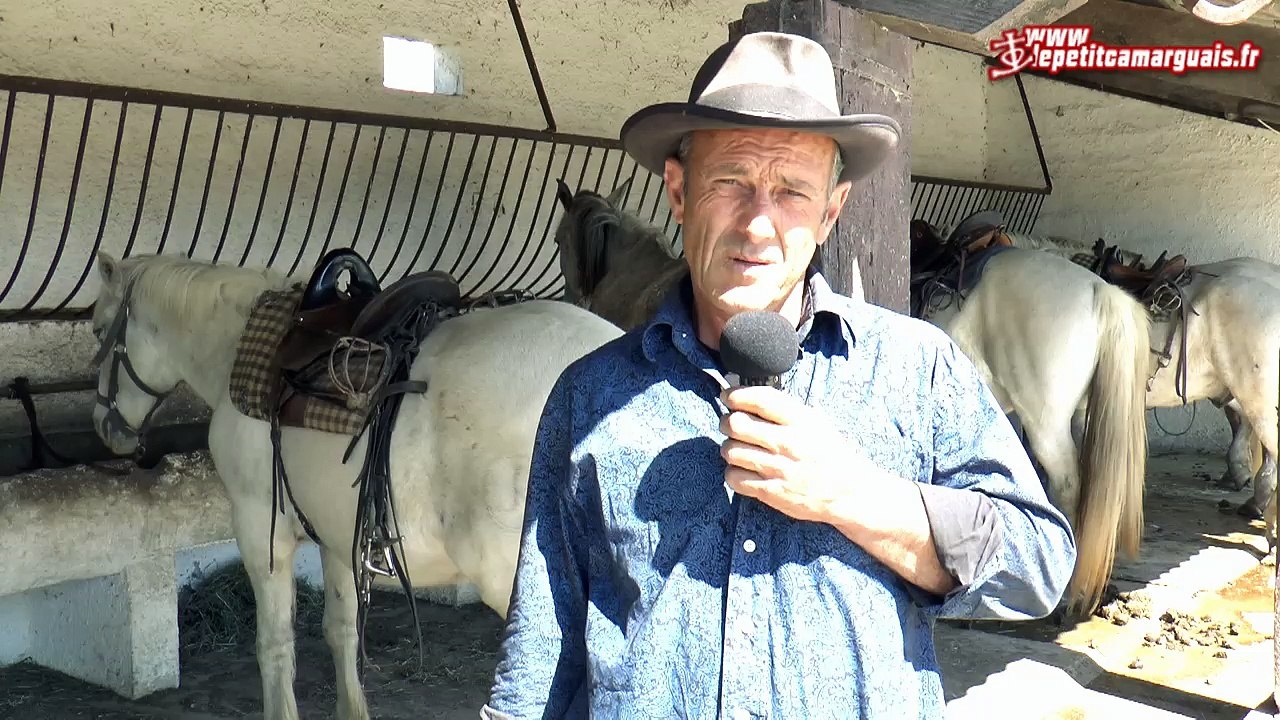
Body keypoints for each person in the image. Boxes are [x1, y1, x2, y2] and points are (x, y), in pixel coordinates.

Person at [482, 31, 1076, 720]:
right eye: (730, 182)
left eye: (792, 191)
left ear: (831, 211)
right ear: (678, 191)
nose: (759, 224)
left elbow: (1038, 568)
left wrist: (854, 495)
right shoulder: (590, 396)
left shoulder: (919, 369)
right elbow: (541, 652)